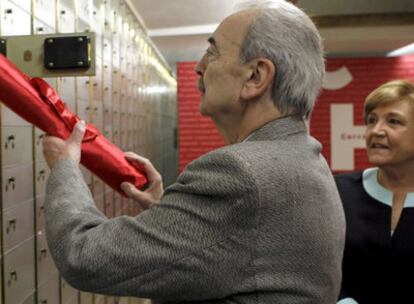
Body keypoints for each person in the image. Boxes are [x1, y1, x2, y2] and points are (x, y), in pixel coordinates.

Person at [43, 0, 345, 303]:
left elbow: (83, 255)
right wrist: (169, 216)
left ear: (255, 77)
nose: (199, 67)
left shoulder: (241, 175)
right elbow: (244, 248)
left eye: (212, 52)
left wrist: (65, 167)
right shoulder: (306, 159)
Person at [335, 79, 414, 304]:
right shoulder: (340, 191)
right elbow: (314, 266)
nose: (376, 131)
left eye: (394, 122)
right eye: (371, 121)